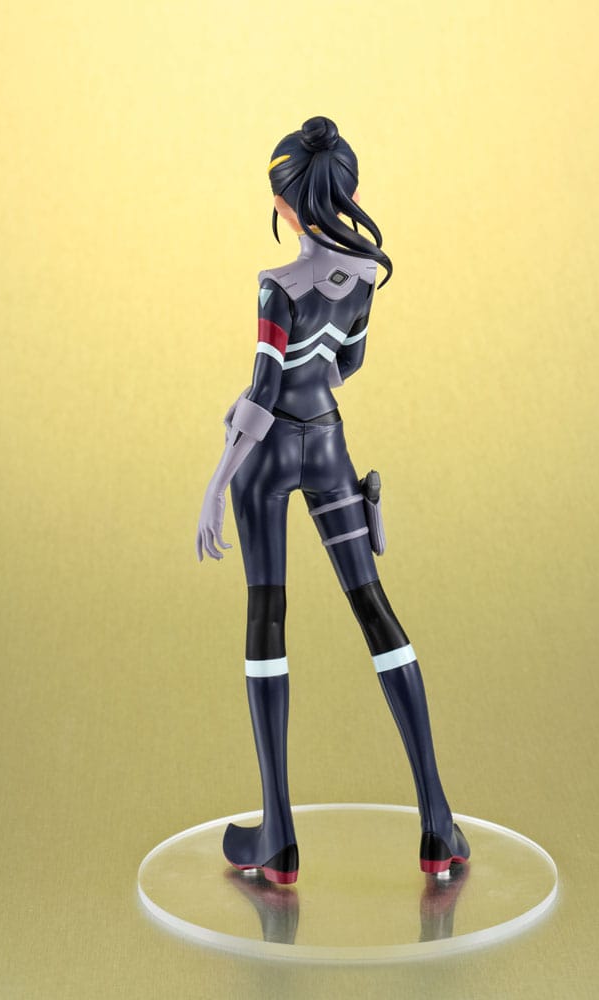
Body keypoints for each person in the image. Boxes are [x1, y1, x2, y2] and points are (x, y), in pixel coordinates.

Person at [196, 116, 469, 885]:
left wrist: (215, 481)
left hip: (264, 460)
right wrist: (306, 386)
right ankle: (437, 821)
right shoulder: (365, 275)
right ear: (341, 192)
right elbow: (345, 365)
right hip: (327, 446)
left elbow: (261, 393)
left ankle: (278, 837)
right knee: (373, 607)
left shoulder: (276, 285)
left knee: (267, 615)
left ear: (287, 201)